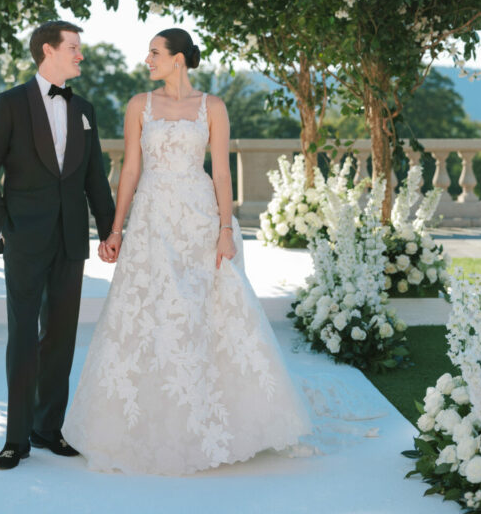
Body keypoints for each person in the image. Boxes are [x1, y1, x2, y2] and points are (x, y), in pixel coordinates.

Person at [62, 27, 313, 475]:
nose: (148, 60)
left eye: (155, 53)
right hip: (153, 218)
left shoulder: (212, 107)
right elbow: (131, 170)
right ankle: (145, 423)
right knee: (150, 310)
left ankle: (219, 419)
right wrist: (116, 229)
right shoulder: (139, 105)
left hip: (199, 218)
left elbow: (220, 174)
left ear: (178, 59)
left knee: (207, 311)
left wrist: (224, 229)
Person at [0, 20, 116, 470]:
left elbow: (95, 179)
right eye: (74, 48)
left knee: (60, 338)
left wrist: (111, 232)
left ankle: (47, 428)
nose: (80, 56)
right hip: (23, 240)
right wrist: (3, 229)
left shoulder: (85, 109)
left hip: (71, 240)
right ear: (48, 51)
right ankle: (16, 438)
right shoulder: (10, 104)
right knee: (23, 338)